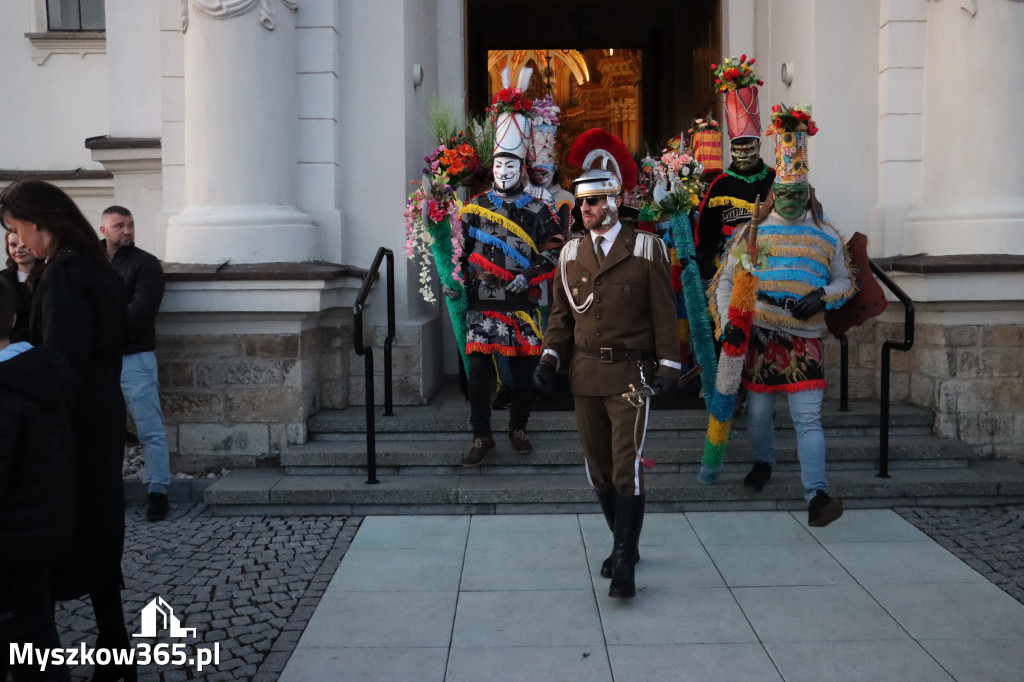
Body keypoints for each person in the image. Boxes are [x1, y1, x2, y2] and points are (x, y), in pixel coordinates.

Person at [533, 129, 681, 599]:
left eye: (593, 204)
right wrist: (548, 359)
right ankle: (626, 542)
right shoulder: (571, 253)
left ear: (614, 203)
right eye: (581, 205)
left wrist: (670, 367)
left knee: (625, 468)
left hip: (631, 376)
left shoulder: (645, 249)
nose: (584, 212)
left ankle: (622, 561)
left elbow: (663, 310)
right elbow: (561, 318)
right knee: (597, 470)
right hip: (584, 375)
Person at [0, 180, 135, 682]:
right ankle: (115, 646)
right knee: (100, 529)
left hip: (75, 421)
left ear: (38, 222)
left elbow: (59, 363)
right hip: (99, 412)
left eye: (17, 230)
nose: (19, 242)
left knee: (62, 531)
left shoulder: (64, 273)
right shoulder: (92, 265)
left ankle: (47, 656)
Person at [711, 104, 856, 527]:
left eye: (798, 194)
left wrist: (824, 296)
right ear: (775, 192)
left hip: (806, 337)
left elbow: (847, 282)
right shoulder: (751, 231)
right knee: (758, 412)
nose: (791, 201)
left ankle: (817, 494)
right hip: (760, 334)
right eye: (785, 193)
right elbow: (725, 281)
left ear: (807, 192)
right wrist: (728, 327)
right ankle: (763, 462)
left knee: (807, 417)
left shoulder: (828, 235)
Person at [455, 68, 564, 467]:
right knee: (479, 375)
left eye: (511, 166)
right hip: (482, 302)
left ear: (523, 167)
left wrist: (530, 275)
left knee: (521, 376)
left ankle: (518, 427)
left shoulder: (538, 208)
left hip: (520, 301)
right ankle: (481, 436)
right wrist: (454, 279)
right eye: (498, 166)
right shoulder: (475, 208)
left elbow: (554, 249)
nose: (503, 173)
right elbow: (459, 252)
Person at [0, 278, 76, 682]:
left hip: (10, 554)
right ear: (13, 318)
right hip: (38, 543)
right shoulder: (39, 372)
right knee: (37, 641)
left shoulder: (7, 390)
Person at [100, 206, 172, 523]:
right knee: (103, 429)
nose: (127, 231)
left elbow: (141, 311)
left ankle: (158, 492)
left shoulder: (146, 264)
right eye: (119, 226)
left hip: (134, 358)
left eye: (130, 225)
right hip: (101, 360)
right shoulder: (90, 262)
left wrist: (96, 330)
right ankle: (106, 491)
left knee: (150, 430)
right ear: (104, 230)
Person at [2, 230, 42, 342]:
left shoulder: (50, 277)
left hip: (39, 345)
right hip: (7, 346)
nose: (19, 249)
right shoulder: (2, 279)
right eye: (13, 245)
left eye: (24, 244)